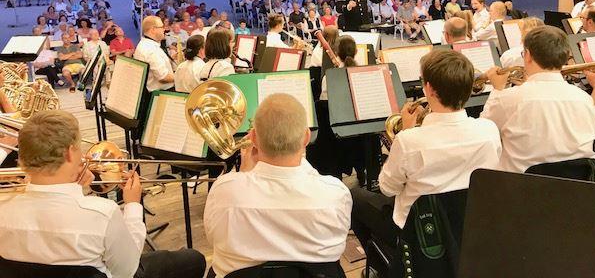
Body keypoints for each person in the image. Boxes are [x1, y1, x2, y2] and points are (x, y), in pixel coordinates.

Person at [0, 110, 206, 277]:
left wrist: (78, 189)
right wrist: (133, 205)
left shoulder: (4, 206)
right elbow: (128, 270)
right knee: (193, 259)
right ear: (70, 153)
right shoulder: (102, 213)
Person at [350, 50, 501, 254]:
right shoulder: (489, 129)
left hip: (417, 231)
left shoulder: (409, 140)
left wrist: (406, 132)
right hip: (469, 224)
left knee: (355, 197)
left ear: (428, 89)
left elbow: (387, 188)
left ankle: (386, 262)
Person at [204, 94, 351, 277]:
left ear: (254, 139)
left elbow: (213, 238)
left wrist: (243, 174)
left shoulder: (224, 190)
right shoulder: (336, 194)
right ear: (306, 137)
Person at [480, 26, 595, 172]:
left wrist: (497, 90)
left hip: (521, 187)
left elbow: (484, 131)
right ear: (567, 56)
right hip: (575, 188)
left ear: (528, 55)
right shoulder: (584, 98)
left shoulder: (508, 99)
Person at [134, 16, 175, 92]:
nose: (164, 29)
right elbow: (163, 77)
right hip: (162, 92)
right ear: (153, 29)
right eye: (161, 27)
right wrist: (181, 76)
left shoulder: (144, 43)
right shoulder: (151, 50)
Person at [319, 35, 357, 100]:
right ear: (356, 51)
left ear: (336, 53)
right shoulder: (363, 75)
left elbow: (324, 104)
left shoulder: (328, 78)